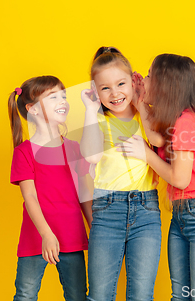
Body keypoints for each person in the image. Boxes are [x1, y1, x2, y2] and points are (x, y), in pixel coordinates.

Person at [118, 53, 195, 301]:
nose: (144, 80)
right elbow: (157, 138)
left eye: (149, 76)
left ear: (166, 84)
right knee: (180, 295)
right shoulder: (178, 119)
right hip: (183, 214)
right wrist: (139, 102)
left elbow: (180, 179)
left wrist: (145, 154)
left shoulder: (187, 122)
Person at [80, 47, 162, 301]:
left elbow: (157, 139)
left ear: (132, 83)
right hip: (107, 210)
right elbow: (91, 155)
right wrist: (89, 110)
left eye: (121, 84)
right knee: (100, 294)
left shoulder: (144, 114)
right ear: (95, 91)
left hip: (146, 211)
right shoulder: (98, 120)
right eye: (105, 88)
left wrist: (140, 101)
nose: (115, 93)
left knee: (141, 295)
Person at [8, 75, 92, 301]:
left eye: (63, 95)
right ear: (32, 109)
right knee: (25, 295)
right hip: (36, 237)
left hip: (72, 236)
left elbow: (84, 194)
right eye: (53, 97)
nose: (62, 101)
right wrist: (46, 234)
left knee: (77, 296)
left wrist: (95, 228)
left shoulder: (74, 148)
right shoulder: (24, 152)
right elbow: (30, 197)